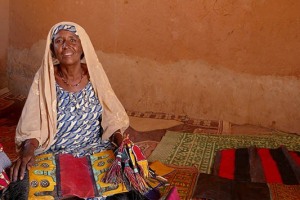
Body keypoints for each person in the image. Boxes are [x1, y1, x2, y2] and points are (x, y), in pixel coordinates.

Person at [3, 22, 142, 200]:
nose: (66, 46)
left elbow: (111, 116)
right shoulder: (45, 78)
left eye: (72, 40)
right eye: (59, 41)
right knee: (22, 186)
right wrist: (28, 150)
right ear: (53, 50)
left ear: (83, 46)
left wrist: (122, 147)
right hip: (54, 150)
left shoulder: (94, 74)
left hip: (95, 148)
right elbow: (33, 122)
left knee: (129, 185)